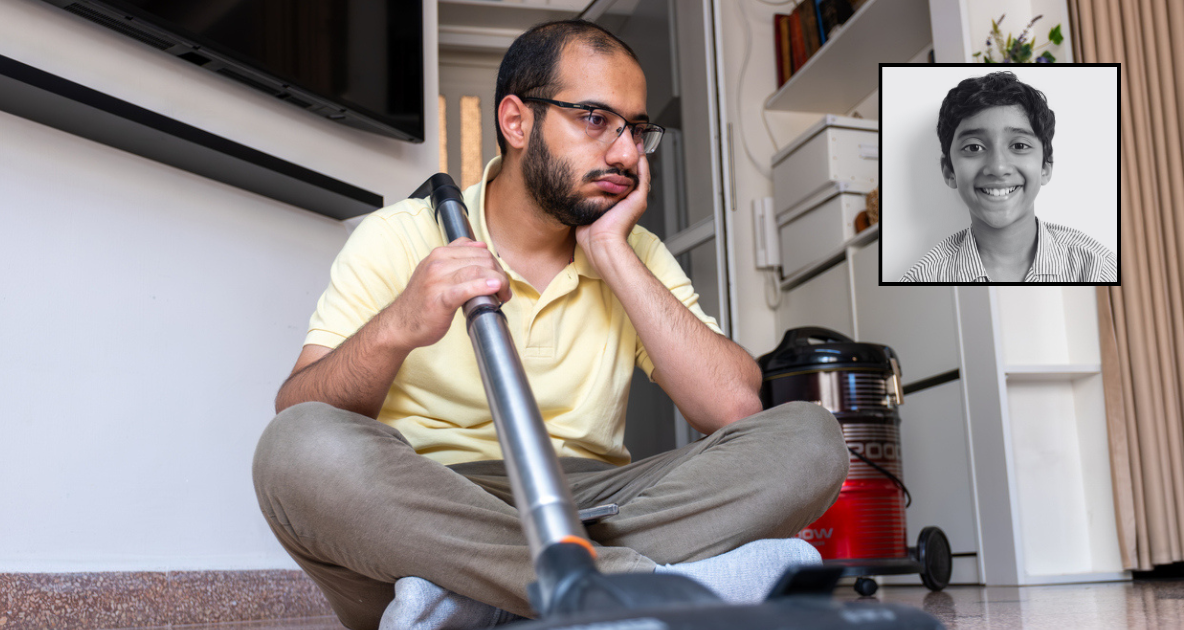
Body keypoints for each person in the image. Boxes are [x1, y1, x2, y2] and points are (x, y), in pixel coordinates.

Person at [252, 19, 848, 630]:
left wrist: (614, 253)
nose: (624, 153)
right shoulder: (400, 235)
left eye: (637, 131)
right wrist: (399, 323)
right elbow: (301, 408)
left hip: (593, 500)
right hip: (431, 502)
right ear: (516, 122)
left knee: (810, 440)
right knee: (293, 452)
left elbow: (733, 408)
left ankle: (476, 598)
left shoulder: (634, 251)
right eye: (594, 118)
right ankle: (632, 588)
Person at [900, 71, 1116, 283]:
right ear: (949, 170)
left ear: (1046, 166)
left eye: (1019, 145)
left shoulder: (1098, 268)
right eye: (974, 147)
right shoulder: (920, 279)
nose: (998, 167)